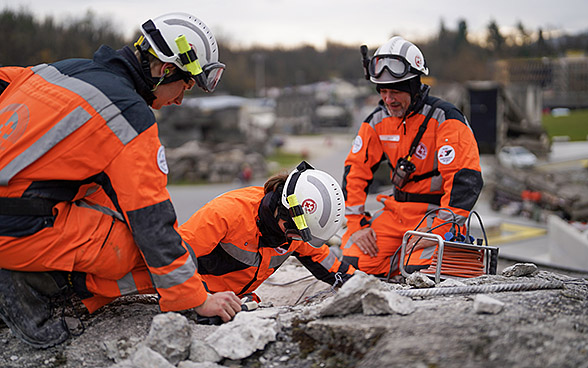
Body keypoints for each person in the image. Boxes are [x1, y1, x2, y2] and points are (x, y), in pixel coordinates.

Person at [0, 12, 240, 348]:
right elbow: (151, 221)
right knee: (154, 257)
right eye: (184, 85)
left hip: (19, 214)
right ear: (164, 69)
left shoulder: (63, 68)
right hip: (17, 229)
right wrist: (194, 298)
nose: (181, 99)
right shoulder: (128, 113)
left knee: (104, 193)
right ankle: (47, 296)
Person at [80, 162, 356, 323]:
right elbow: (175, 257)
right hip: (191, 288)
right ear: (283, 210)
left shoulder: (293, 228)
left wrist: (357, 284)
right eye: (293, 232)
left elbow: (322, 257)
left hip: (229, 298)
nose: (294, 241)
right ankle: (75, 292)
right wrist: (200, 299)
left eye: (300, 236)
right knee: (120, 276)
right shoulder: (228, 213)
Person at [340, 36, 484, 278]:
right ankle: (402, 258)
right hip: (396, 212)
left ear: (414, 86)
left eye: (395, 91)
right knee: (355, 261)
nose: (388, 99)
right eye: (383, 91)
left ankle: (428, 257)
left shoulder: (446, 119)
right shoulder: (377, 120)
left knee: (422, 270)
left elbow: (464, 180)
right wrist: (356, 225)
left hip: (435, 215)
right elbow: (355, 171)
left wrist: (441, 228)